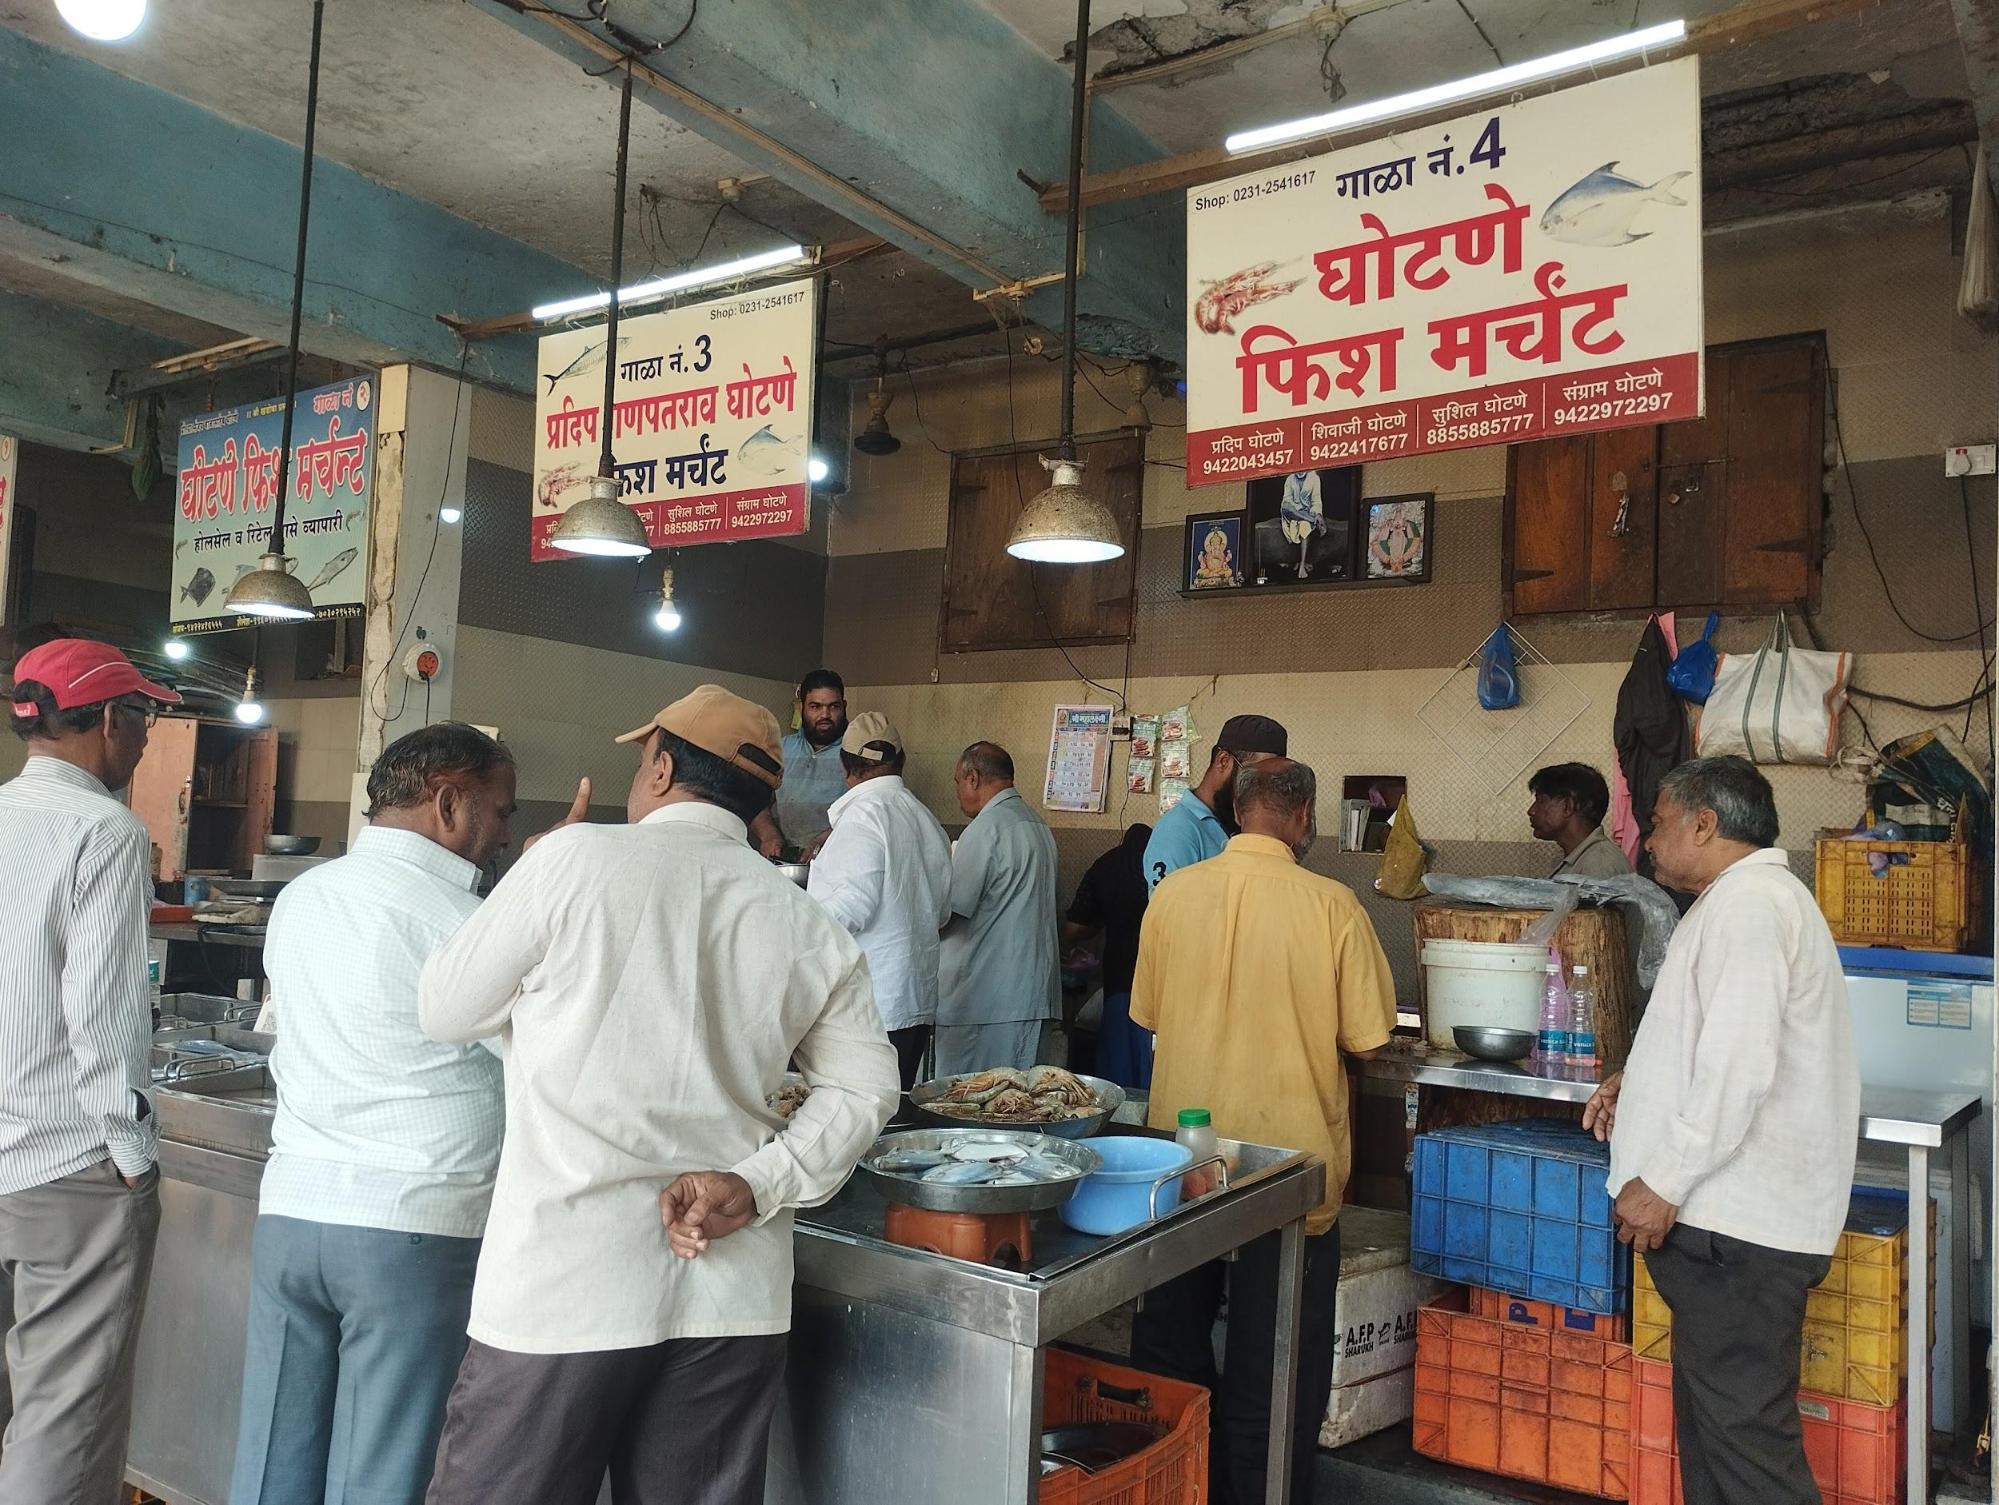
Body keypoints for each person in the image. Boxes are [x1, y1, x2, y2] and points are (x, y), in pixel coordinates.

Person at [417, 685, 898, 1505]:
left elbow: (444, 1007)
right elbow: (866, 1086)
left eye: (642, 760)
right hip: (729, 1296)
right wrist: (758, 1182)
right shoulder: (802, 917)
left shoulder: (570, 861)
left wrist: (534, 875)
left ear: (663, 768)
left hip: (565, 1286)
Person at [229, 724, 534, 1505]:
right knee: (382, 1473)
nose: (505, 833)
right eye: (498, 812)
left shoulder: (303, 897)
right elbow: (541, 1063)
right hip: (412, 1227)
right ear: (448, 801)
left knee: (272, 1460)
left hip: (293, 1212)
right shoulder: (467, 923)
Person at [1584, 756, 1858, 1505]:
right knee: (1718, 1442)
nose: (1647, 840)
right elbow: (1713, 1045)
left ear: (1705, 824)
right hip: (1729, 1233)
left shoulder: (1750, 907)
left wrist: (1662, 1178)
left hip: (1736, 1235)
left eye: (1662, 822)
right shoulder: (1740, 902)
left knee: (1746, 1452)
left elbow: (1738, 1067)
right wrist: (1634, 1086)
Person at [1130, 758, 1396, 1505]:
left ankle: (1175, 1483)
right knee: (1273, 1369)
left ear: (1238, 808)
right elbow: (1371, 1039)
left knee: (1171, 1348)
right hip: (1288, 1178)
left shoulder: (1174, 896)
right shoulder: (1332, 905)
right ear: (1303, 814)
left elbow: (1147, 1013)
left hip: (1182, 1170)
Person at [0, 639, 181, 1504]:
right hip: (66, 1165)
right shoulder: (106, 831)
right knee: (63, 1419)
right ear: (113, 719)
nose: (144, 739)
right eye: (142, 717)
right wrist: (133, 1156)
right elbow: (103, 1017)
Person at [807, 711, 952, 1091]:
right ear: (900, 762)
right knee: (893, 1111)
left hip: (870, 1007)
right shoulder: (926, 819)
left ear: (845, 765)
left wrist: (794, 922)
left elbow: (851, 907)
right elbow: (940, 913)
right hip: (914, 1001)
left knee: (859, 1122)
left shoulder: (863, 817)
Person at [936, 741, 1060, 1076]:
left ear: (972, 778)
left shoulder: (986, 828)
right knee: (1020, 1104)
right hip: (1030, 994)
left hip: (987, 1001)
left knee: (977, 1105)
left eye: (957, 782)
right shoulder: (1037, 825)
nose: (958, 792)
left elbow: (950, 911)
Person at [1143, 714, 1288, 894]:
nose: (1262, 790)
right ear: (1224, 761)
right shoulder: (1177, 831)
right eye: (1255, 778)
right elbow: (1169, 915)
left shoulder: (1237, 822)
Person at [1061, 822, 1152, 1090]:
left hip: (1119, 979)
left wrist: (1102, 920)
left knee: (1118, 1071)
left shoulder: (1106, 865)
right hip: (1161, 983)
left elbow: (1073, 929)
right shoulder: (1168, 862)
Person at [752, 668, 849, 859]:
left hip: (839, 859)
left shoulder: (856, 753)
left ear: (844, 706)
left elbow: (870, 812)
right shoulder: (780, 749)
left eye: (833, 706)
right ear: (802, 707)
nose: (825, 715)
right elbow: (756, 802)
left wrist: (823, 841)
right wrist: (768, 835)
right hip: (786, 858)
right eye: (815, 707)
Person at [1528, 762, 1633, 879]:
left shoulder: (1599, 864)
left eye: (1541, 801)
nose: (1531, 811)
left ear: (1567, 807)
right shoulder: (1576, 857)